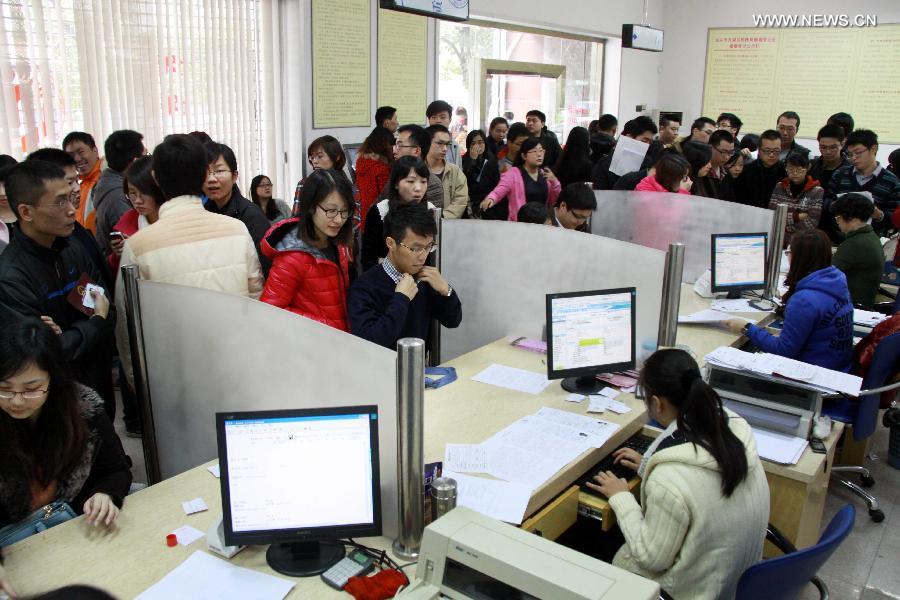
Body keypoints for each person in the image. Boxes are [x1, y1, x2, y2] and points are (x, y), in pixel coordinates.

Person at [588, 348, 768, 599]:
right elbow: (699, 479)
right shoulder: (732, 426)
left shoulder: (671, 479)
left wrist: (620, 496)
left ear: (657, 403)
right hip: (735, 578)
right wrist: (647, 464)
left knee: (586, 539)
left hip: (692, 591)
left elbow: (651, 558)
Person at [115, 135, 264, 387]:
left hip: (174, 375)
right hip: (234, 366)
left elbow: (127, 321)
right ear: (204, 175)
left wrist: (136, 381)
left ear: (156, 178)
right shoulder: (236, 230)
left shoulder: (139, 245)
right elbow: (257, 300)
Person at [0, 318, 132, 556]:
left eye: (31, 389)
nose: (17, 400)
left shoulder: (84, 410)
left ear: (54, 378)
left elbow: (116, 470)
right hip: (13, 548)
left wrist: (104, 493)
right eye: (5, 389)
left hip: (74, 532)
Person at [0, 161, 116, 419]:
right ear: (26, 212)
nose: (72, 210)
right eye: (60, 202)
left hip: (96, 379)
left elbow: (105, 306)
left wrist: (76, 332)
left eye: (71, 200)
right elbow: (42, 354)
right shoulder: (11, 276)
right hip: (53, 401)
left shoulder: (71, 248)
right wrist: (94, 322)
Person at [726, 229, 853, 372]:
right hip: (838, 369)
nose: (788, 257)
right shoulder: (836, 282)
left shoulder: (804, 300)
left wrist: (746, 328)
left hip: (812, 378)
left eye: (789, 252)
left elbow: (784, 350)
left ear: (800, 257)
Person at [349, 202, 461, 350]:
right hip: (380, 370)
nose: (423, 256)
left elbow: (452, 321)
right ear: (391, 243)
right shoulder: (364, 287)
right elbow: (370, 343)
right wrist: (401, 299)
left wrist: (445, 290)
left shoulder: (424, 279)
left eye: (428, 247)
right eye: (416, 248)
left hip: (418, 368)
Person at [261, 170, 354, 331]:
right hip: (314, 345)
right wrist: (322, 326)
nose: (339, 219)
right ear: (311, 207)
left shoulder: (337, 243)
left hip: (340, 341)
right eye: (331, 211)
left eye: (344, 211)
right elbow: (269, 313)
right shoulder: (291, 256)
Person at [202, 141, 272, 274]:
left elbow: (265, 267)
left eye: (219, 171)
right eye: (205, 171)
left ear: (234, 176)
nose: (211, 178)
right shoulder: (202, 212)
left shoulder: (252, 216)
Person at [364, 156, 435, 271]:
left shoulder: (431, 211)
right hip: (385, 277)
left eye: (423, 182)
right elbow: (369, 257)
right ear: (396, 183)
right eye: (411, 181)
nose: (418, 188)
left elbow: (434, 256)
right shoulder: (380, 211)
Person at [825, 129, 900, 236]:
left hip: (871, 242)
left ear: (873, 149)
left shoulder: (892, 182)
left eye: (858, 153)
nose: (853, 158)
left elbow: (894, 219)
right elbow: (826, 202)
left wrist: (879, 215)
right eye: (850, 154)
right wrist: (836, 205)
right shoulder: (839, 174)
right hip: (838, 239)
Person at [480, 138, 561, 222]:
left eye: (541, 151)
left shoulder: (546, 174)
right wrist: (491, 199)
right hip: (519, 223)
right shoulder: (513, 174)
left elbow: (553, 200)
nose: (539, 154)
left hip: (542, 223)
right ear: (524, 156)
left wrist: (554, 181)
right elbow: (499, 191)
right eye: (534, 151)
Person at [107, 156, 165, 275]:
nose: (138, 200)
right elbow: (113, 271)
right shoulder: (126, 223)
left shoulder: (175, 218)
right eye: (132, 193)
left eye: (144, 192)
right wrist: (118, 256)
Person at [92, 130, 145, 258]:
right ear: (134, 161)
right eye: (145, 156)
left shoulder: (107, 182)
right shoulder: (119, 197)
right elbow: (133, 243)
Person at [831, 193, 884, 309]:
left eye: (838, 218)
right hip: (862, 302)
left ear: (854, 219)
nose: (837, 222)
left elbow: (825, 275)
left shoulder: (855, 244)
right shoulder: (871, 236)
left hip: (850, 306)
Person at [767, 152, 823, 245]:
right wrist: (796, 216)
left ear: (807, 168)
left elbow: (812, 223)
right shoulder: (779, 187)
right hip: (778, 241)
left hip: (803, 242)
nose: (795, 173)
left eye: (799, 170)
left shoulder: (817, 191)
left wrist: (785, 223)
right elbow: (773, 216)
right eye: (791, 170)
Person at [380, 124, 443, 207]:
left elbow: (426, 217)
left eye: (399, 146)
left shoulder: (433, 185)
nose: (394, 151)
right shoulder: (395, 176)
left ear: (416, 151)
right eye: (395, 145)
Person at [291, 135, 350, 217]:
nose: (314, 161)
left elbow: (355, 219)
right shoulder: (305, 183)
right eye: (312, 157)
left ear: (336, 157)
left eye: (320, 156)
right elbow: (296, 218)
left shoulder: (346, 184)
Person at [592, 116, 657, 190]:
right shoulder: (605, 164)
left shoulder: (648, 165)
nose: (647, 146)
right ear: (629, 138)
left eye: (650, 142)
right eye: (644, 141)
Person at [424, 125, 468, 219]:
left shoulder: (455, 171)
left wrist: (442, 217)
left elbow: (461, 200)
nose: (445, 148)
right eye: (440, 143)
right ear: (427, 143)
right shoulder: (416, 170)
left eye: (447, 144)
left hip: (448, 225)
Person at [63, 132, 103, 233]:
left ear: (95, 151)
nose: (77, 159)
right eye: (71, 155)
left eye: (81, 152)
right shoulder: (80, 185)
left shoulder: (104, 180)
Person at [355, 126, 394, 231]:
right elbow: (386, 197)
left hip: (365, 217)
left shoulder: (360, 162)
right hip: (380, 219)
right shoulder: (381, 168)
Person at [734, 130, 786, 208]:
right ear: (759, 150)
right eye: (767, 151)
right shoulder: (746, 171)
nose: (771, 155)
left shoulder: (785, 172)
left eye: (776, 151)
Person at [462, 130, 501, 219]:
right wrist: (471, 160)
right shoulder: (463, 160)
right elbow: (463, 179)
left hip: (487, 200)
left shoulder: (492, 160)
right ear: (468, 146)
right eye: (473, 143)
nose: (477, 146)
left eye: (480, 142)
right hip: (469, 201)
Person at [426, 100, 462, 166]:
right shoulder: (422, 143)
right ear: (429, 120)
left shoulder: (455, 145)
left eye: (442, 117)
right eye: (434, 117)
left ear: (450, 120)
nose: (438, 121)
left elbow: (459, 171)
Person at [704, 130, 736, 200]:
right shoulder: (702, 172)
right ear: (710, 147)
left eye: (731, 152)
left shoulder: (726, 173)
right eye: (723, 152)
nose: (727, 157)